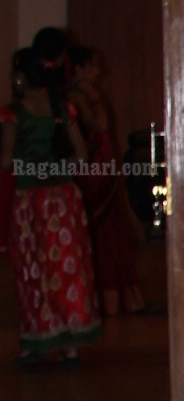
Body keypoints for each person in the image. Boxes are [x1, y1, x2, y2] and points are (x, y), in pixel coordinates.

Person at [1, 46, 102, 366]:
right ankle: (71, 344)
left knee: (34, 270)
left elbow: (6, 160)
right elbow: (82, 156)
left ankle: (37, 342)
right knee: (66, 268)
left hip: (31, 201)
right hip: (63, 200)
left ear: (20, 77)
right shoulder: (64, 109)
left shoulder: (14, 113)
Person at [68, 45, 146, 316]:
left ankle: (119, 300)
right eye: (92, 66)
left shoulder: (83, 95)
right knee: (101, 235)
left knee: (110, 234)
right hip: (90, 174)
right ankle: (103, 302)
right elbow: (99, 126)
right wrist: (95, 100)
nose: (97, 72)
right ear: (78, 69)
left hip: (101, 170)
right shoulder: (76, 97)